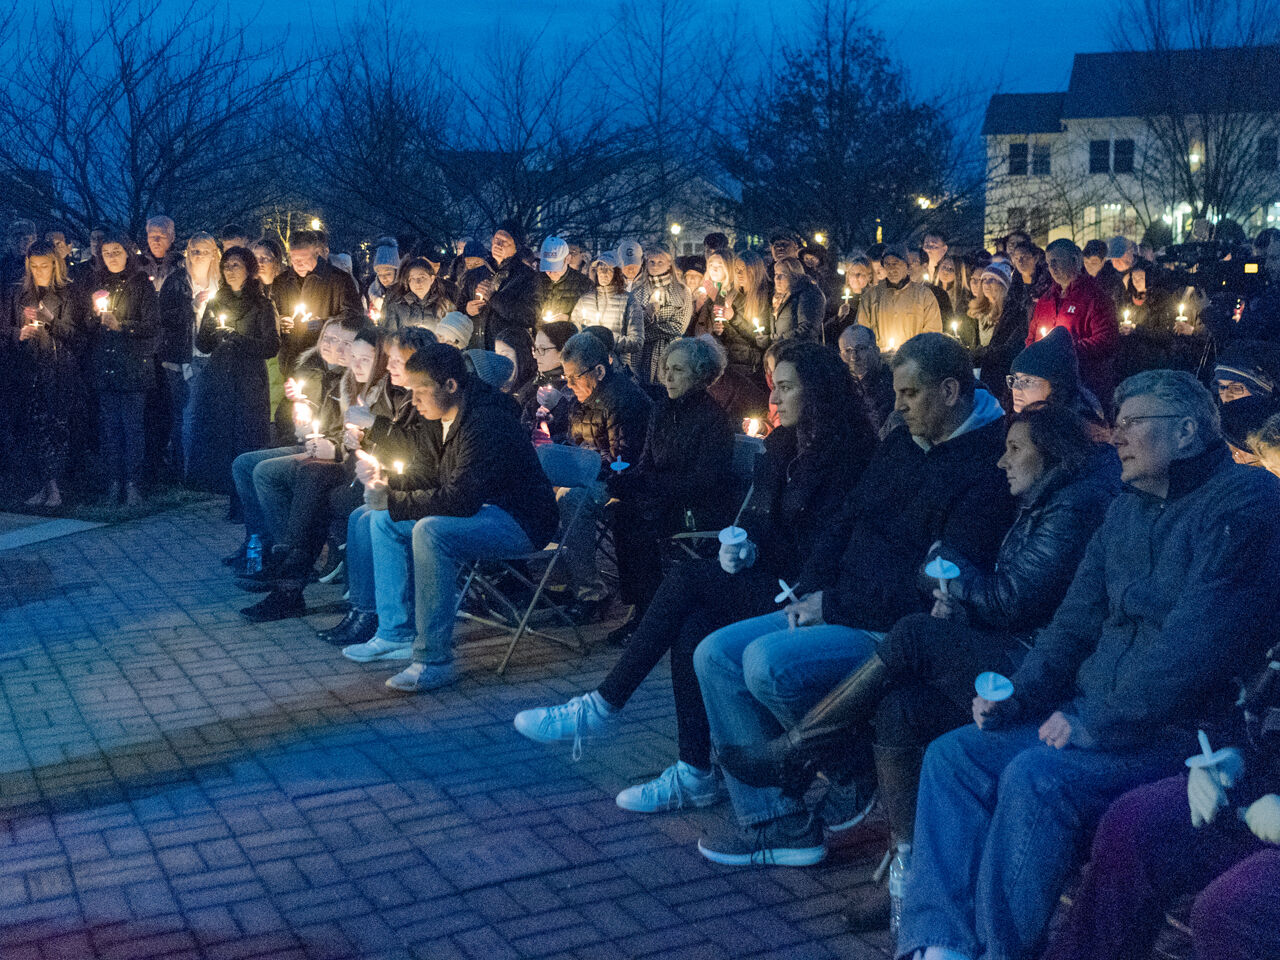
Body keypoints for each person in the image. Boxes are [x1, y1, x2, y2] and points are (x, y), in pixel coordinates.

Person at [897, 370, 1280, 960]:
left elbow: (1193, 648)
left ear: (1186, 432)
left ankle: (1002, 951)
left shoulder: (1241, 508)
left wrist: (1097, 721)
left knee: (1037, 778)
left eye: (1133, 424)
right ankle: (940, 943)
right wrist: (1018, 696)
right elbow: (1073, 623)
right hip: (1096, 712)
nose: (1117, 437)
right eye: (1117, 423)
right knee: (956, 756)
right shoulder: (1127, 508)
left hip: (1181, 733)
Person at [716, 404, 1119, 929]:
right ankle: (905, 874)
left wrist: (952, 581)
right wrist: (955, 583)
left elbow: (1016, 600)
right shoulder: (1041, 497)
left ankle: (798, 749)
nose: (1002, 462)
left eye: (1016, 449)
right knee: (899, 709)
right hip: (1010, 642)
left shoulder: (1073, 507)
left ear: (1052, 455)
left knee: (911, 635)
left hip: (1034, 660)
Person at [692, 332, 1015, 867]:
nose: (899, 405)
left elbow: (932, 577)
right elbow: (848, 520)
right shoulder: (902, 441)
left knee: (766, 663)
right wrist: (810, 590)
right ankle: (778, 820)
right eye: (897, 392)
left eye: (911, 394)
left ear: (952, 390)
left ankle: (850, 770)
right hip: (839, 600)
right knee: (715, 655)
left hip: (891, 627)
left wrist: (834, 606)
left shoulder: (986, 467)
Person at [514, 339, 878, 811]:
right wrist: (743, 544)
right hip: (756, 565)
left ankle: (603, 705)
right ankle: (694, 772)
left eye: (786, 387)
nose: (774, 399)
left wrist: (656, 495)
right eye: (774, 386)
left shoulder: (844, 455)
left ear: (818, 391)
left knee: (683, 578)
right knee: (690, 624)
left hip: (795, 585)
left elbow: (815, 535)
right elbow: (750, 514)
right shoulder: (775, 441)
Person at [1040, 637, 1280, 960]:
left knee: (1229, 910)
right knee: (1136, 821)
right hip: (1256, 797)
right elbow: (1249, 714)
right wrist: (1231, 757)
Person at [341, 343, 559, 692]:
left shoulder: (487, 422)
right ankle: (395, 633)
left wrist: (394, 500)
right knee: (381, 520)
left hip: (519, 520)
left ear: (451, 385)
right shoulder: (438, 417)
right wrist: (387, 483)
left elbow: (461, 498)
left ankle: (433, 659)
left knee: (430, 531)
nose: (413, 401)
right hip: (479, 510)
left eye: (420, 391)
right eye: (410, 392)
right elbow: (430, 477)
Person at [240, 325, 393, 622]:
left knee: (314, 480)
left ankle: (288, 575)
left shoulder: (387, 392)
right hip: (346, 464)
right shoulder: (349, 384)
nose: (356, 363)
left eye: (366, 358)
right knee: (308, 475)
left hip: (368, 473)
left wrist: (348, 444)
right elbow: (328, 430)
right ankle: (288, 577)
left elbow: (395, 441)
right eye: (355, 356)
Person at [604, 336, 735, 645]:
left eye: (678, 370)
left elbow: (706, 481)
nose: (668, 377)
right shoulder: (661, 410)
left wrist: (650, 486)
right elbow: (646, 465)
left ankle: (650, 617)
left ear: (701, 374)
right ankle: (642, 609)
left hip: (697, 508)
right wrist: (627, 480)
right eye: (666, 369)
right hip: (662, 499)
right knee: (622, 510)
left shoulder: (713, 418)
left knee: (639, 523)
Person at [317, 325, 439, 649]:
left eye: (396, 361)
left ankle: (376, 616)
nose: (387, 367)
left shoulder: (429, 398)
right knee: (360, 516)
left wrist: (372, 428)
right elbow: (401, 448)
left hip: (433, 494)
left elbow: (420, 451)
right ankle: (362, 609)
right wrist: (368, 450)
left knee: (370, 517)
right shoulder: (398, 393)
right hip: (412, 484)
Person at [226, 317, 359, 572]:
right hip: (313, 446)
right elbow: (306, 425)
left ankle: (285, 554)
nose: (335, 346)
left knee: (265, 472)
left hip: (335, 457)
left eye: (345, 342)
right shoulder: (312, 369)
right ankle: (258, 541)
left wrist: (331, 447)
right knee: (243, 464)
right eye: (329, 339)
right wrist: (301, 417)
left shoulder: (354, 378)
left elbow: (350, 430)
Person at [558, 331, 651, 614]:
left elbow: (624, 461)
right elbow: (576, 440)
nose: (569, 384)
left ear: (599, 370)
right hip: (591, 474)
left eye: (575, 376)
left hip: (624, 485)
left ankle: (591, 592)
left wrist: (588, 464)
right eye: (566, 377)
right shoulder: (583, 398)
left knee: (573, 501)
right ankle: (565, 579)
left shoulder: (622, 400)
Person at [186, 247, 280, 499]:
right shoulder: (217, 302)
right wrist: (212, 332)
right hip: (221, 377)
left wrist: (239, 339)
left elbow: (271, 346)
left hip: (249, 380)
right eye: (226, 266)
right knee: (222, 434)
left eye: (236, 265)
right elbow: (202, 344)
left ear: (249, 269)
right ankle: (226, 491)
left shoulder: (262, 304)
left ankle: (247, 496)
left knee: (246, 435)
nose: (230, 271)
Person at [89, 231, 159, 505]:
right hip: (106, 366)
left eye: (117, 251)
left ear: (128, 253)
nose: (112, 257)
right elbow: (87, 324)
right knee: (110, 428)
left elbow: (152, 325)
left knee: (132, 428)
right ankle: (113, 482)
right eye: (107, 253)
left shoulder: (141, 284)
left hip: (132, 366)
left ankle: (133, 484)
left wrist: (124, 325)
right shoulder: (97, 283)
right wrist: (96, 317)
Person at [13, 240, 85, 507]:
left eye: (44, 265)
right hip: (31, 369)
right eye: (34, 266)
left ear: (55, 265)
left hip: (59, 371)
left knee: (57, 428)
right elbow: (8, 327)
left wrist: (50, 321)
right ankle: (42, 485)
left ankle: (56, 487)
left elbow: (77, 336)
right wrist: (20, 333)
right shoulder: (21, 295)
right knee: (36, 428)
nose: (39, 271)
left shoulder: (68, 293)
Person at [1025, 238, 1120, 408]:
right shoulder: (1045, 300)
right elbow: (1031, 337)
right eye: (1048, 263)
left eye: (1056, 261)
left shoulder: (1095, 297)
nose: (1052, 268)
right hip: (1047, 388)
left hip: (1083, 387)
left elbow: (1106, 340)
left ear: (1074, 261)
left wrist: (1065, 351)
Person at [156, 233, 219, 479]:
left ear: (214, 253)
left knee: (207, 412)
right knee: (185, 413)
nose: (198, 255)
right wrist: (190, 308)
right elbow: (162, 317)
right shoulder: (176, 282)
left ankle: (207, 466)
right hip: (180, 356)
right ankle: (185, 471)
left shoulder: (220, 281)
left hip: (211, 354)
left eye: (204, 251)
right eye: (194, 250)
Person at [1005, 327, 1105, 426]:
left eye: (1027, 381)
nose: (1016, 388)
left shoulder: (1078, 431)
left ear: (1056, 387)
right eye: (1015, 379)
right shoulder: (1021, 423)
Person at [464, 220, 539, 346]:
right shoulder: (476, 273)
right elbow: (459, 305)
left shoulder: (527, 277)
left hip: (507, 349)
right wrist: (467, 309)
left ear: (516, 247)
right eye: (496, 239)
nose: (497, 244)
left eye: (504, 241)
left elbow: (530, 316)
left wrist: (493, 298)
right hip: (477, 349)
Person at [856, 244, 943, 349]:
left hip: (911, 361)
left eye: (896, 263)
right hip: (880, 360)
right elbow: (861, 332)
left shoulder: (924, 295)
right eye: (887, 264)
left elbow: (932, 334)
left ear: (907, 265)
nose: (891, 269)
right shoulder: (871, 297)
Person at [627, 243, 691, 383]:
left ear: (669, 264)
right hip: (642, 355)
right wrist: (648, 315)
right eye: (652, 262)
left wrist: (646, 334)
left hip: (671, 351)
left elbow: (679, 327)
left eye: (660, 262)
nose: (655, 265)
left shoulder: (682, 291)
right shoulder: (637, 291)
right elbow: (631, 323)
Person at [967, 261, 1028, 393]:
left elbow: (1008, 348)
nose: (986, 284)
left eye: (992, 280)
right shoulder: (977, 313)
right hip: (979, 372)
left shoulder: (1012, 314)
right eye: (985, 280)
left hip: (999, 376)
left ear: (1003, 285)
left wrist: (982, 353)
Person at [570, 252, 638, 369]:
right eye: (601, 268)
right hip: (588, 364)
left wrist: (607, 339)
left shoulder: (629, 301)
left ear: (617, 272)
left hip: (617, 366)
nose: (603, 273)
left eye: (609, 269)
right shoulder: (585, 300)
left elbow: (636, 342)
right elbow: (573, 332)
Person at [518, 320, 578, 443]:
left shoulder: (575, 387)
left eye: (543, 349)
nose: (536, 355)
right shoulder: (535, 382)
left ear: (563, 351)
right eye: (536, 349)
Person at [837, 324, 895, 435]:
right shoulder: (839, 387)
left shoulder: (891, 385)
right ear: (840, 355)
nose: (854, 357)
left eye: (861, 348)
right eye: (847, 351)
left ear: (876, 351)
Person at [385, 257, 453, 333]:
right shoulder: (397, 307)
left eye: (422, 277)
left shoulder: (444, 305)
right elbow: (390, 336)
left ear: (432, 279)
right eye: (413, 278)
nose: (417, 282)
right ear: (408, 281)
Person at [536, 236, 592, 323]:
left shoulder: (583, 284)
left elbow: (589, 319)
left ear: (567, 259)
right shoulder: (535, 281)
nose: (551, 272)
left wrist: (568, 319)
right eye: (547, 267)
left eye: (555, 267)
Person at [771, 258, 825, 341]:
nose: (777, 279)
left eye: (783, 275)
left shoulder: (808, 294)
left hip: (799, 351)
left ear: (794, 276)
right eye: (776, 274)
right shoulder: (778, 297)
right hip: (782, 350)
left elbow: (807, 330)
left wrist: (779, 339)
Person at [493, 326, 537, 397]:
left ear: (521, 356)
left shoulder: (533, 393)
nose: (498, 361)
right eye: (497, 355)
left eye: (505, 355)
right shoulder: (497, 387)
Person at [142, 216, 179, 292]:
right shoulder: (137, 264)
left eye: (162, 236)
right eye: (152, 236)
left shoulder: (181, 265)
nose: (156, 241)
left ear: (172, 238)